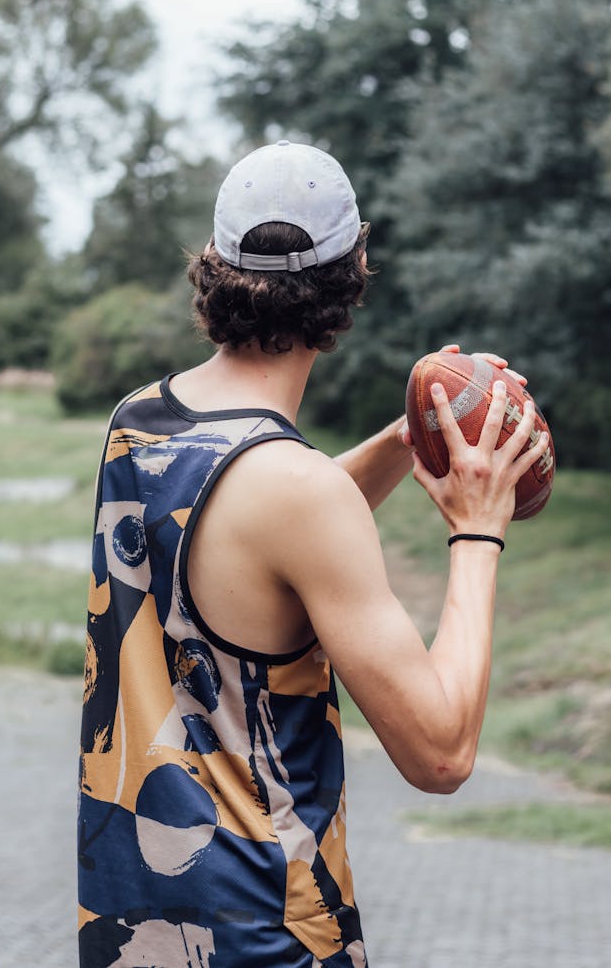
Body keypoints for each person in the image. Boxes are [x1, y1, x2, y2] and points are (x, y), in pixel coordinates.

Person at [77, 139, 548, 968]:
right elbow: (441, 753)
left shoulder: (138, 421)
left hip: (130, 935)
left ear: (214, 262)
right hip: (267, 938)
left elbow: (247, 535)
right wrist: (477, 530)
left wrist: (411, 438)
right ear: (356, 265)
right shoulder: (298, 494)